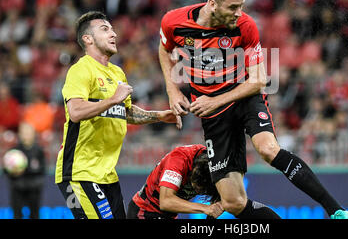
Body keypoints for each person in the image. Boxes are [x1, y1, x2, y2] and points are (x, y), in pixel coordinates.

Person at [158, 0, 348, 219]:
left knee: (268, 149)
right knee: (233, 201)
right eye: (232, 7)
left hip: (243, 98)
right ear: (212, 4)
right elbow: (165, 49)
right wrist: (172, 89)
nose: (239, 12)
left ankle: (336, 210)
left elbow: (259, 80)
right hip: (214, 115)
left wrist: (215, 100)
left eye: (241, 6)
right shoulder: (174, 22)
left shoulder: (245, 26)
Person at [55, 11, 181, 219]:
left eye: (112, 29)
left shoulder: (117, 73)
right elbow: (75, 112)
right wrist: (113, 99)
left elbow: (125, 112)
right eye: (105, 29)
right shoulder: (81, 70)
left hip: (107, 174)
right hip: (78, 173)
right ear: (88, 39)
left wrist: (158, 116)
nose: (113, 34)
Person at [127, 144, 224, 219]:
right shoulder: (179, 158)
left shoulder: (218, 168)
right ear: (194, 168)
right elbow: (166, 202)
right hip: (146, 211)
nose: (196, 190)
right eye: (194, 182)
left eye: (201, 188)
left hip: (170, 215)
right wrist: (206, 208)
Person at [4, 122, 46, 219]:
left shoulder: (39, 151)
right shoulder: (14, 152)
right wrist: (13, 172)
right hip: (18, 188)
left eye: (29, 132)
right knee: (17, 215)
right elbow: (6, 170)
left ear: (33, 134)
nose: (26, 135)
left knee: (35, 215)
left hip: (34, 188)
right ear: (20, 134)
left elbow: (42, 169)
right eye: (24, 132)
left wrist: (27, 169)